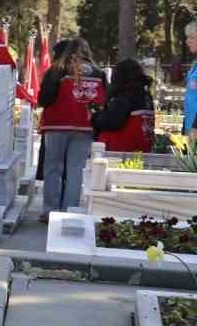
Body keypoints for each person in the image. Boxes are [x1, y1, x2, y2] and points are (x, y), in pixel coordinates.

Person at [37, 37, 106, 212]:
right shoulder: (98, 73)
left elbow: (44, 99)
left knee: (53, 169)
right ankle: (70, 210)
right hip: (85, 126)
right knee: (76, 170)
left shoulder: (57, 69)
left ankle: (50, 210)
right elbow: (105, 99)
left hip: (56, 125)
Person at [94, 58, 155, 153]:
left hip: (120, 150)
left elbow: (110, 122)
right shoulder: (146, 95)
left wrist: (95, 116)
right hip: (142, 149)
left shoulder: (125, 96)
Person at [183, 21, 197, 138]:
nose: (187, 41)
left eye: (192, 37)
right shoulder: (194, 65)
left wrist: (195, 126)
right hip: (190, 127)